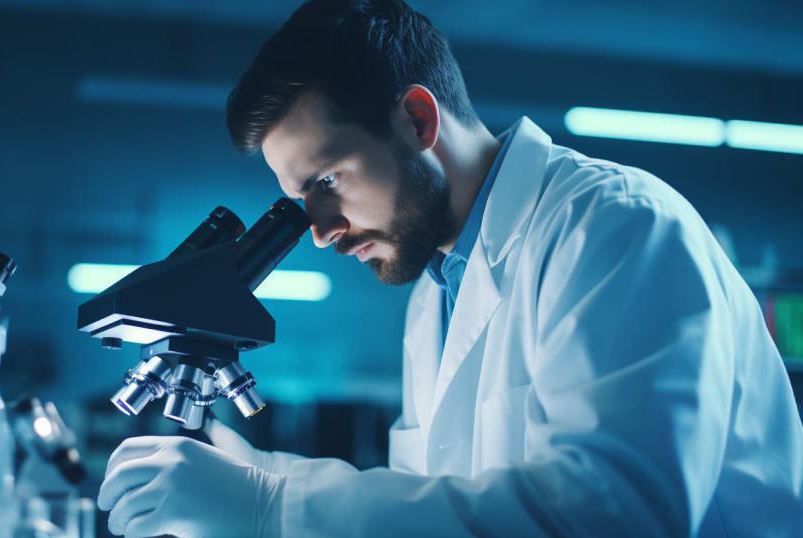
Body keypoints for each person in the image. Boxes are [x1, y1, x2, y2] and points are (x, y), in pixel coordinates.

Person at [96, 1, 803, 536]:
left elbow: (615, 515)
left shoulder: (616, 226)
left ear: (417, 119)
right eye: (297, 201)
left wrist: (276, 508)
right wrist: (256, 475)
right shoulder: (436, 291)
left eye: (327, 181)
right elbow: (439, 505)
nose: (317, 232)